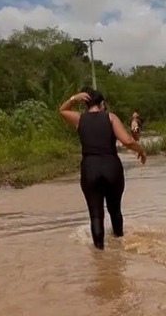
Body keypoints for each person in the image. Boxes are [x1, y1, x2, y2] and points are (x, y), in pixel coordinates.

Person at [57, 88, 146, 250]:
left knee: (96, 215)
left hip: (90, 168)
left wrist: (73, 98)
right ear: (102, 104)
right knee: (115, 210)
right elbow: (127, 140)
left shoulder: (80, 119)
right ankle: (120, 247)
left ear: (85, 103)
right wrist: (141, 150)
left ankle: (100, 256)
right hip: (111, 167)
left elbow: (62, 110)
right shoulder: (110, 118)